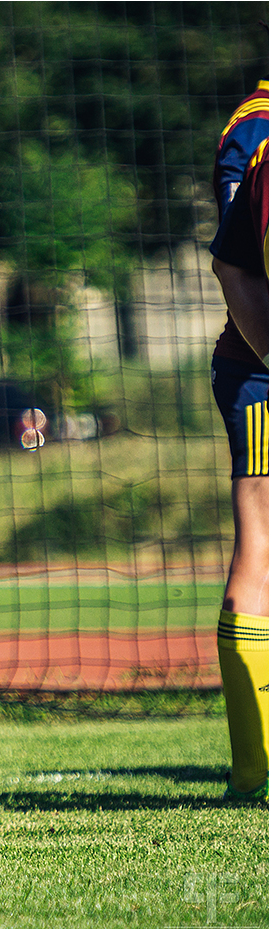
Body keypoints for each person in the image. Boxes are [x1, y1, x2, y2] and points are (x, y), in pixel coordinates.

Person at [209, 80, 269, 801]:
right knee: (260, 549)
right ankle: (252, 769)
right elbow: (234, 264)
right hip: (257, 373)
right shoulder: (254, 131)